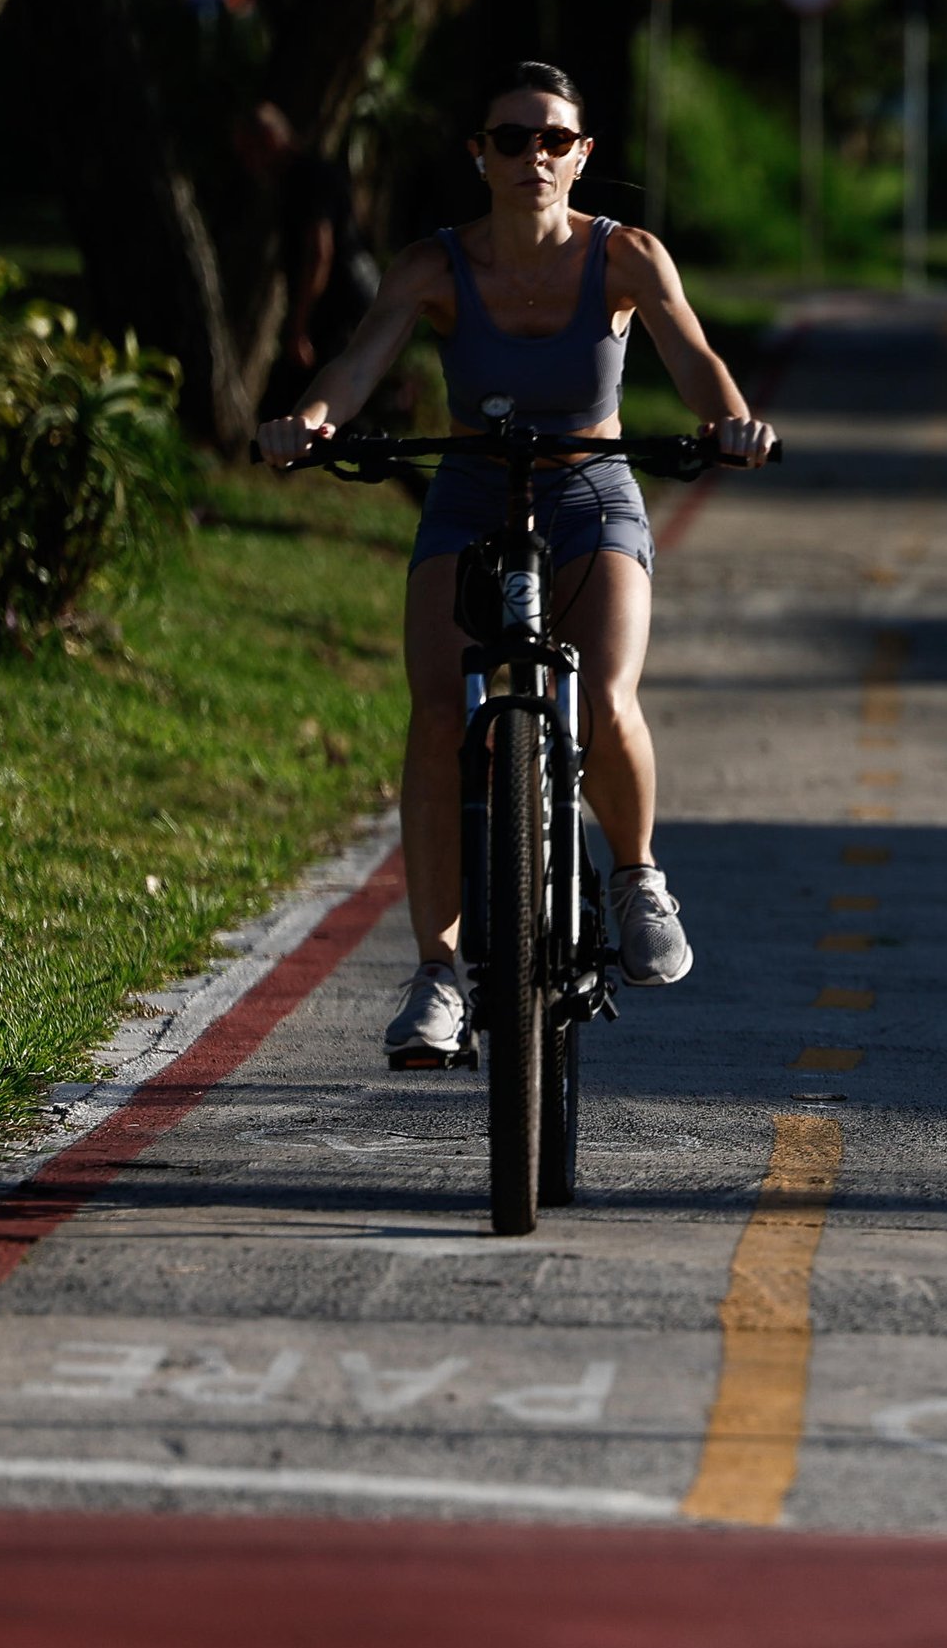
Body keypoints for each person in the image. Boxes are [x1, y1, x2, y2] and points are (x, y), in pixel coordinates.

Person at [256, 63, 777, 1060]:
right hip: (472, 496)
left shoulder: (627, 257)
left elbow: (694, 356)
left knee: (610, 691)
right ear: (479, 156)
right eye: (510, 138)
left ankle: (635, 880)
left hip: (590, 500)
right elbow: (358, 364)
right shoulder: (437, 266)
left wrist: (731, 422)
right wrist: (309, 424)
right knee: (440, 711)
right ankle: (440, 974)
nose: (532, 156)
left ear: (583, 155)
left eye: (553, 139)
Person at [237, 102, 372, 420]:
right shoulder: (301, 178)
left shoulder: (308, 178)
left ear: (270, 139)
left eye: (250, 152)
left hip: (340, 307)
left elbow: (319, 252)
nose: (249, 165)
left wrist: (299, 324)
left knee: (318, 402)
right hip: (338, 306)